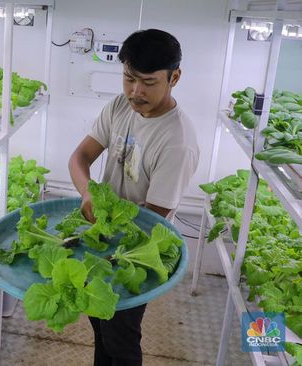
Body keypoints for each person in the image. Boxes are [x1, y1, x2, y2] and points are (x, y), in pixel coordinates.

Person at [68, 29, 200, 365]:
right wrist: (88, 195)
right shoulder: (119, 106)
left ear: (175, 77)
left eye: (149, 82)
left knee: (122, 338)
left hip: (135, 254)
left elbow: (152, 216)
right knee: (99, 325)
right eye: (129, 78)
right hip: (103, 239)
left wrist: (104, 219)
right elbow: (79, 158)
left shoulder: (177, 141)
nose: (135, 91)